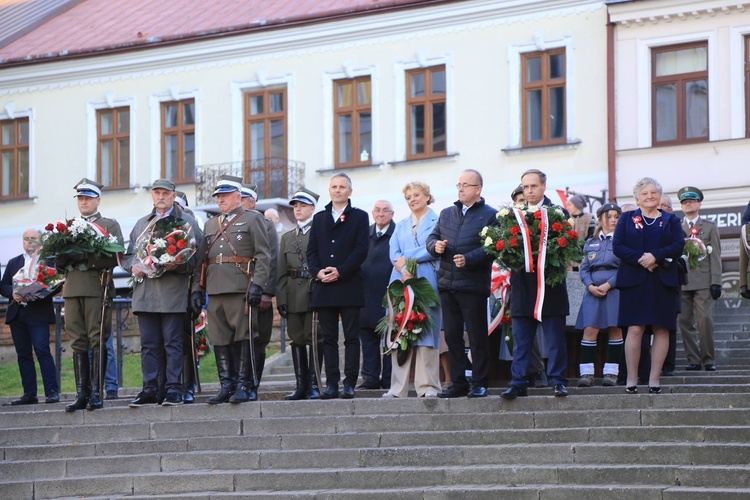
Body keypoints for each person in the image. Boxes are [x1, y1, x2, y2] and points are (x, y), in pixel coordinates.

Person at [191, 175, 271, 404]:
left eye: (225, 196)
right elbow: (201, 262)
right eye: (218, 196)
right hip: (215, 290)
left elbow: (263, 255)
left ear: (238, 196)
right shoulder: (210, 224)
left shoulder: (252, 219)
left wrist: (258, 284)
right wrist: (197, 289)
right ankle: (227, 385)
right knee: (220, 338)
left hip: (240, 287)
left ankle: (244, 385)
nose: (221, 200)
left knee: (244, 336)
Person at [125, 179, 202, 407]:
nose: (161, 197)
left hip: (172, 292)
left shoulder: (186, 221)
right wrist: (132, 266)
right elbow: (129, 254)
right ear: (152, 195)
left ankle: (173, 389)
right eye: (157, 192)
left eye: (165, 193)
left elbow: (197, 259)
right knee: (149, 344)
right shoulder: (141, 224)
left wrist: (178, 264)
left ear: (173, 195)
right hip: (145, 292)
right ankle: (150, 388)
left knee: (173, 343)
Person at [427, 169, 497, 398]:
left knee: (476, 337)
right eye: (459, 184)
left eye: (466, 185)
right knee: (453, 337)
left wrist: (469, 259)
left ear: (478, 189)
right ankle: (458, 383)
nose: (461, 188)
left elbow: (492, 247)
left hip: (472, 286)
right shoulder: (447, 213)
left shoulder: (490, 215)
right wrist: (434, 247)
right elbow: (432, 237)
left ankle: (479, 382)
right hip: (448, 284)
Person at [501, 169, 570, 399]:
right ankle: (518, 381)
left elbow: (566, 248)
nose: (529, 191)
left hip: (550, 285)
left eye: (533, 186)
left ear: (543, 187)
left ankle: (558, 380)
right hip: (522, 285)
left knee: (554, 339)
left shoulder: (558, 213)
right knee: (522, 340)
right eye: (525, 187)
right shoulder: (513, 215)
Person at [613, 177, 684, 394]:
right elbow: (618, 246)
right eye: (645, 193)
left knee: (661, 329)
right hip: (635, 280)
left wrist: (655, 256)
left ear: (659, 195)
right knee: (635, 329)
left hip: (662, 279)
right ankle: (632, 379)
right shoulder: (626, 218)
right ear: (637, 198)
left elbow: (678, 244)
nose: (650, 196)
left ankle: (654, 379)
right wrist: (641, 259)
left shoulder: (671, 220)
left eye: (653, 192)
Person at [62, 179, 124, 412]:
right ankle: (82, 393)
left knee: (97, 337)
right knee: (77, 340)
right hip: (72, 288)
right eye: (80, 198)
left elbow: (115, 257)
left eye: (88, 198)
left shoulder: (109, 225)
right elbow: (58, 261)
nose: (84, 201)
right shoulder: (67, 226)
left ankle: (97, 392)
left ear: (98, 200)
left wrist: (84, 257)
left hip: (97, 287)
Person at [307, 172, 369, 399]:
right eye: (334, 186)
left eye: (342, 187)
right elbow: (311, 251)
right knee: (329, 338)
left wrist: (341, 270)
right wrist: (318, 272)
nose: (337, 190)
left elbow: (361, 249)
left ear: (350, 191)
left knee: (351, 337)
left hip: (349, 284)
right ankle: (332, 383)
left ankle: (349, 383)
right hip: (325, 286)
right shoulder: (319, 218)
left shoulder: (360, 217)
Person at [383, 181, 442, 398]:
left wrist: (406, 259)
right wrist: (402, 266)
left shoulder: (438, 221)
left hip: (427, 278)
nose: (412, 199)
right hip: (400, 280)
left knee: (426, 331)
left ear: (427, 196)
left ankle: (428, 386)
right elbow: (393, 253)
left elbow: (434, 249)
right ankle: (397, 388)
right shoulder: (400, 225)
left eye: (416, 195)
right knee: (400, 329)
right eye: (408, 197)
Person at [0, 230, 59, 405]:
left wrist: (37, 293)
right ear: (22, 241)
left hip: (38, 313)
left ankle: (52, 392)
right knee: (23, 354)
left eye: (33, 238)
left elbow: (55, 285)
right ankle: (29, 394)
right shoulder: (14, 262)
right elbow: (3, 285)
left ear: (39, 240)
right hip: (18, 313)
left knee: (42, 350)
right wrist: (14, 293)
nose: (29, 242)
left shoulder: (47, 260)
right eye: (26, 239)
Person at [277, 187, 322, 400]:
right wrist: (281, 299)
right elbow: (281, 271)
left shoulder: (320, 231)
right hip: (293, 293)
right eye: (295, 206)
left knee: (314, 337)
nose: (298, 209)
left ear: (312, 208)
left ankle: (314, 384)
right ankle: (300, 385)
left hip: (313, 290)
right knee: (296, 340)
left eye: (303, 206)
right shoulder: (287, 237)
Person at [575, 204, 623, 387]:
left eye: (616, 216)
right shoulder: (591, 242)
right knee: (590, 329)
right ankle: (586, 374)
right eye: (609, 216)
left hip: (615, 290)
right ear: (601, 219)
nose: (613, 220)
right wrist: (590, 285)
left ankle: (611, 374)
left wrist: (609, 284)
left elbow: (625, 268)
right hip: (593, 291)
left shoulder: (622, 241)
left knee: (615, 329)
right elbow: (584, 268)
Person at [677, 186, 722, 372]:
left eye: (692, 201)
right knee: (685, 322)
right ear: (681, 206)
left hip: (704, 281)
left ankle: (708, 359)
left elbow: (716, 256)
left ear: (699, 204)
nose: (688, 204)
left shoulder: (709, 227)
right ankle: (693, 359)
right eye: (685, 202)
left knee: (704, 321)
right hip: (681, 281)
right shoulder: (676, 228)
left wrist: (716, 281)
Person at [240, 183, 279, 399]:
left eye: (242, 198)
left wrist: (267, 291)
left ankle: (253, 383)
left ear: (252, 202)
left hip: (258, 291)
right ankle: (238, 383)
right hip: (236, 291)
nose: (237, 201)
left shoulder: (265, 224)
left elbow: (271, 259)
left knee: (258, 339)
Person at [358, 200, 395, 390]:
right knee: (367, 338)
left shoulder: (397, 233)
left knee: (389, 339)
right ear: (373, 213)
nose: (381, 214)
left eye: (385, 210)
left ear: (392, 213)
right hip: (365, 295)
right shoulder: (364, 234)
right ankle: (370, 377)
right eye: (377, 210)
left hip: (390, 295)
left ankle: (389, 379)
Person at [657, 194, 679, 377]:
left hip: (671, 280)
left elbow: (680, 247)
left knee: (668, 325)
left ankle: (668, 365)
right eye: (659, 205)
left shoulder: (675, 225)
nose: (662, 208)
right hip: (650, 280)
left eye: (665, 205)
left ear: (670, 210)